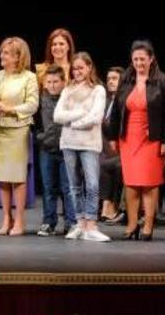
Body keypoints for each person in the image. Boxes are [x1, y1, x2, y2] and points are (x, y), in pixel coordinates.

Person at [108, 40, 165, 241]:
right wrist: (112, 136)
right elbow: (116, 113)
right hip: (128, 138)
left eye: (143, 59)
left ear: (151, 59)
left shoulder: (162, 81)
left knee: (149, 183)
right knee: (131, 183)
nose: (139, 63)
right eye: (135, 59)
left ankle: (148, 225)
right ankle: (131, 223)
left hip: (151, 139)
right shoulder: (126, 80)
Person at [53, 52, 109, 242]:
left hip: (89, 144)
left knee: (92, 184)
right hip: (68, 143)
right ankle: (79, 223)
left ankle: (91, 224)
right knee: (74, 186)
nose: (77, 71)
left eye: (81, 68)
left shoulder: (98, 90)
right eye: (75, 68)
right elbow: (57, 116)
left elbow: (95, 117)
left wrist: (73, 123)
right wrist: (78, 113)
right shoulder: (67, 89)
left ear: (89, 68)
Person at [0, 37, 38, 236]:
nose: (2, 56)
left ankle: (19, 220)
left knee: (17, 177)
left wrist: (9, 109)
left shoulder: (29, 77)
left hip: (18, 130)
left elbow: (32, 104)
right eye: (2, 52)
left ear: (18, 57)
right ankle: (6, 218)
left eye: (7, 53)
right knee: (2, 177)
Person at [34, 64, 76, 236]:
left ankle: (71, 222)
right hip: (47, 149)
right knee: (48, 187)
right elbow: (34, 123)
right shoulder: (39, 101)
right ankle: (48, 221)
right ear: (44, 83)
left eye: (55, 81)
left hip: (66, 149)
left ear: (63, 82)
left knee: (68, 187)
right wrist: (41, 138)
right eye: (49, 82)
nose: (52, 85)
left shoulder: (69, 99)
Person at [99, 66, 125, 225]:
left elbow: (119, 128)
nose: (110, 82)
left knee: (112, 165)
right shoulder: (106, 101)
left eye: (114, 78)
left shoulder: (125, 101)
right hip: (105, 148)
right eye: (108, 79)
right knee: (102, 163)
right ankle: (105, 205)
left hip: (122, 148)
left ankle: (110, 205)